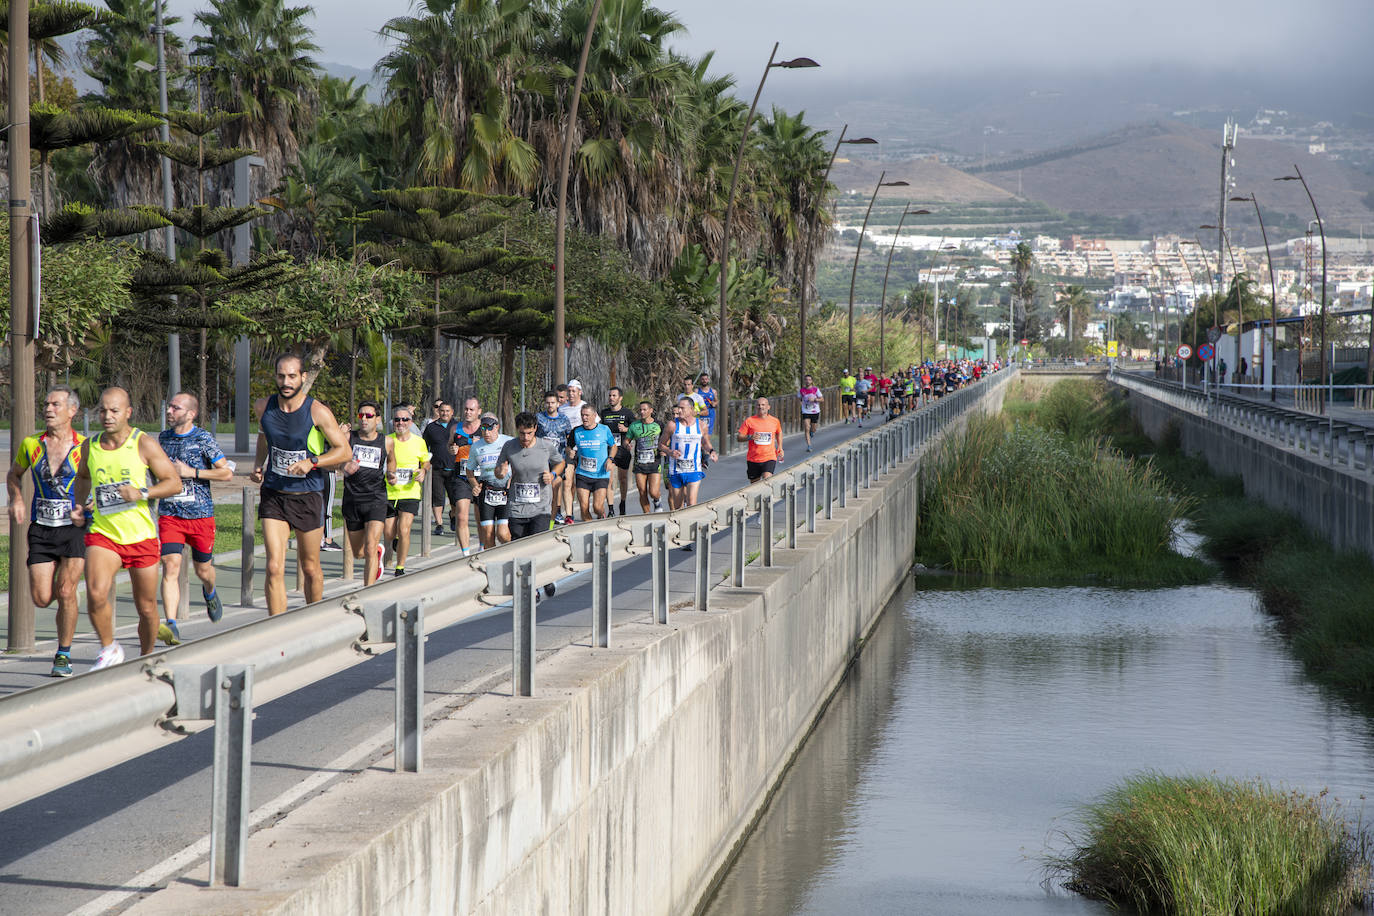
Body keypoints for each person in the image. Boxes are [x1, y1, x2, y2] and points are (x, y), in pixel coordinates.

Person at [71, 387, 183, 667]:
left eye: (114, 411)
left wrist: (141, 493)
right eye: (103, 411)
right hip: (104, 534)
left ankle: (147, 660)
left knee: (146, 608)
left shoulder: (142, 443)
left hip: (141, 536)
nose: (107, 416)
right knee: (96, 592)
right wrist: (79, 503)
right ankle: (109, 648)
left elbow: (173, 482)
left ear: (128, 413)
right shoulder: (90, 445)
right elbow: (83, 476)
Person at [251, 354, 352, 616]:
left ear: (303, 377)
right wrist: (258, 464)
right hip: (274, 494)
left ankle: (313, 620)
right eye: (281, 376)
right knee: (274, 566)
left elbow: (344, 451)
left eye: (292, 376)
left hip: (307, 495)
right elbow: (264, 436)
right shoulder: (263, 407)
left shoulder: (317, 411)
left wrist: (312, 462)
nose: (286, 382)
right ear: (275, 376)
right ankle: (278, 628)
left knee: (310, 566)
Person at [6, 387, 87, 677]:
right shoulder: (31, 444)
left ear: (72, 411)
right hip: (41, 529)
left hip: (75, 529)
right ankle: (67, 598)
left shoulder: (85, 446)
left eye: (55, 404)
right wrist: (16, 498)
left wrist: (86, 505)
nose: (48, 409)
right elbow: (14, 474)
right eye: (46, 404)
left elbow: (99, 482)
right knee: (41, 598)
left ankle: (63, 654)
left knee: (66, 590)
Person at [155, 391, 232, 646]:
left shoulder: (203, 438)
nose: (169, 412)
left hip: (200, 516)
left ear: (190, 414)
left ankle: (209, 591)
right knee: (170, 566)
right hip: (171, 515)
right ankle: (172, 625)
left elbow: (225, 474)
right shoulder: (163, 438)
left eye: (175, 408)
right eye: (169, 407)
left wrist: (192, 472)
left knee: (203, 571)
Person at [341, 400, 389, 585]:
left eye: (369, 416)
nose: (364, 419)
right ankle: (378, 552)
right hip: (352, 498)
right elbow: (333, 460)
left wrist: (391, 474)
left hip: (376, 498)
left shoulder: (387, 441)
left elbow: (391, 462)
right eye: (361, 415)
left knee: (368, 548)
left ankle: (368, 590)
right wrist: (343, 465)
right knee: (359, 553)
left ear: (377, 419)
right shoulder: (348, 438)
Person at [499, 411, 566, 541]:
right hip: (517, 507)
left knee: (537, 544)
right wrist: (500, 471)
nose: (526, 437)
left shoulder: (545, 446)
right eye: (522, 433)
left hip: (541, 508)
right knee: (519, 545)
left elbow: (560, 463)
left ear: (535, 428)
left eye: (529, 433)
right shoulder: (509, 446)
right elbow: (499, 470)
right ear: (518, 429)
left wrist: (552, 475)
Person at [383, 404, 431, 576]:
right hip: (389, 491)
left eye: (404, 420)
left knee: (404, 529)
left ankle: (400, 567)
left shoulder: (419, 442)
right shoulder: (387, 440)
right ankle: (394, 540)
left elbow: (426, 461)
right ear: (393, 422)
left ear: (410, 422)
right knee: (388, 533)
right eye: (397, 420)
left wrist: (423, 470)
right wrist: (388, 474)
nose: (401, 423)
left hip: (410, 492)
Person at [662, 396, 715, 521]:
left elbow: (705, 442)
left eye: (682, 408)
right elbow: (661, 444)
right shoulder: (672, 425)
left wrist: (711, 451)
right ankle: (680, 529)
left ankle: (692, 529)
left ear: (691, 409)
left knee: (691, 503)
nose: (679, 410)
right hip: (676, 470)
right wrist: (669, 451)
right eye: (678, 407)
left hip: (694, 469)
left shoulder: (701, 425)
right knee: (678, 507)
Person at [466, 412, 513, 549]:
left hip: (505, 491)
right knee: (488, 536)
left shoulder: (508, 442)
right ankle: (492, 566)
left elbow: (518, 463)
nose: (486, 432)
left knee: (503, 534)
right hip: (487, 492)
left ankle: (511, 556)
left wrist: (513, 480)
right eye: (483, 428)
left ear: (497, 427)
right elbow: (469, 470)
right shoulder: (476, 447)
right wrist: (475, 485)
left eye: (490, 428)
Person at [568, 403, 617, 521]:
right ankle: (590, 532)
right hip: (583, 474)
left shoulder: (604, 429)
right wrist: (569, 452)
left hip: (600, 474)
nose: (584, 418)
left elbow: (614, 446)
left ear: (594, 415)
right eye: (582, 415)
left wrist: (610, 459)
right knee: (584, 508)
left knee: (597, 507)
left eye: (587, 415)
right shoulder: (577, 431)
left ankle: (601, 516)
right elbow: (569, 446)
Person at [536, 390, 574, 525]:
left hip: (558, 460)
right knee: (543, 491)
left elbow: (569, 436)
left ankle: (553, 518)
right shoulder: (539, 418)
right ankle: (541, 516)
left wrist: (570, 451)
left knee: (555, 487)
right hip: (541, 460)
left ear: (558, 403)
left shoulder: (564, 419)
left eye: (553, 403)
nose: (550, 405)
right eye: (548, 403)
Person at [450, 397, 481, 552]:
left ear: (478, 412)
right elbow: (450, 445)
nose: (468, 412)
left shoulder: (486, 428)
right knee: (462, 516)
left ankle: (483, 548)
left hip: (481, 478)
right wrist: (452, 450)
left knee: (481, 517)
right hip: (462, 476)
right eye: (466, 409)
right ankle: (466, 554)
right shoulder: (456, 428)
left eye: (472, 409)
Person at [599, 386, 635, 517]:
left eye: (614, 396)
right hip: (609, 450)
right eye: (610, 395)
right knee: (609, 479)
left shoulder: (627, 413)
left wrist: (626, 429)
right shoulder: (604, 413)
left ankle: (623, 502)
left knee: (623, 479)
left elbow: (636, 428)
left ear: (620, 398)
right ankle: (611, 508)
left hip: (623, 450)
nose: (611, 398)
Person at [423, 401, 457, 536]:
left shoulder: (458, 427)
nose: (444, 413)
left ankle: (453, 515)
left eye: (447, 411)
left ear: (452, 412)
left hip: (454, 468)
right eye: (442, 410)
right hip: (436, 468)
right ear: (439, 412)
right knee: (437, 498)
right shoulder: (431, 428)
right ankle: (439, 524)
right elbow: (424, 446)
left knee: (455, 499)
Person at [626, 400, 664, 513]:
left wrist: (664, 450)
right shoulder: (634, 425)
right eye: (640, 410)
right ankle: (647, 515)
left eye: (644, 410)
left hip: (654, 463)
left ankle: (657, 500)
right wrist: (627, 444)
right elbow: (626, 440)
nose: (642, 412)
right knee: (642, 491)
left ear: (651, 411)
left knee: (653, 492)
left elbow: (665, 440)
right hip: (639, 463)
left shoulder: (659, 425)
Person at [557, 381, 587, 522]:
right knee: (567, 482)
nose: (571, 394)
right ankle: (569, 515)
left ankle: (583, 510)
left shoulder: (585, 407)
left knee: (578, 484)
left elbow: (596, 425)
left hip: (584, 451)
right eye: (569, 391)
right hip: (568, 450)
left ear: (579, 392)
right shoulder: (562, 409)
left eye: (574, 391)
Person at [737, 397, 783, 483]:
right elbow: (739, 437)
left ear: (768, 407)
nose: (760, 407)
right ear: (755, 407)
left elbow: (779, 432)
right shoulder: (749, 421)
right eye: (758, 405)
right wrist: (750, 437)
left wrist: (780, 447)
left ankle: (768, 496)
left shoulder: (775, 421)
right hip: (753, 458)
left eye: (763, 405)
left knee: (767, 480)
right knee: (755, 485)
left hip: (769, 457)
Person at [798, 374, 822, 452]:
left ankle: (812, 431)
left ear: (811, 381)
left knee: (813, 428)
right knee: (807, 427)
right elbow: (799, 398)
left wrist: (815, 399)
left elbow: (822, 399)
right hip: (806, 411)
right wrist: (800, 403)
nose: (807, 381)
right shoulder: (801, 390)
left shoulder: (815, 389)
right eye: (806, 379)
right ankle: (809, 445)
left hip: (815, 411)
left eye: (809, 379)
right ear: (804, 381)